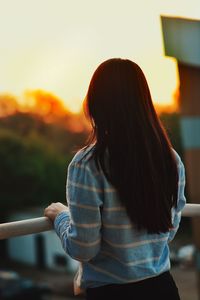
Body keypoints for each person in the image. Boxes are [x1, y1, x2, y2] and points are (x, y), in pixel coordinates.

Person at [44, 58, 186, 300]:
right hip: (163, 288)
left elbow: (84, 248)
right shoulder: (169, 158)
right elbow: (168, 230)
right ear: (144, 102)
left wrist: (61, 217)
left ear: (95, 104)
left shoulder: (87, 164)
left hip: (113, 292)